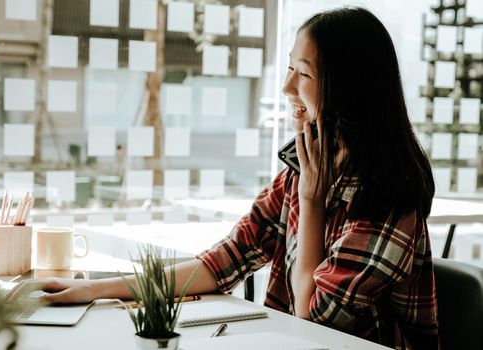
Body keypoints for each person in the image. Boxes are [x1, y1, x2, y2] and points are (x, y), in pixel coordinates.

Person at [39, 7, 438, 349]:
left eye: (303, 73)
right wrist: (94, 290)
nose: (286, 87)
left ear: (349, 89)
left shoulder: (389, 198)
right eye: (289, 68)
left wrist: (312, 204)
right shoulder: (304, 170)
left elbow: (314, 321)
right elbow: (220, 264)